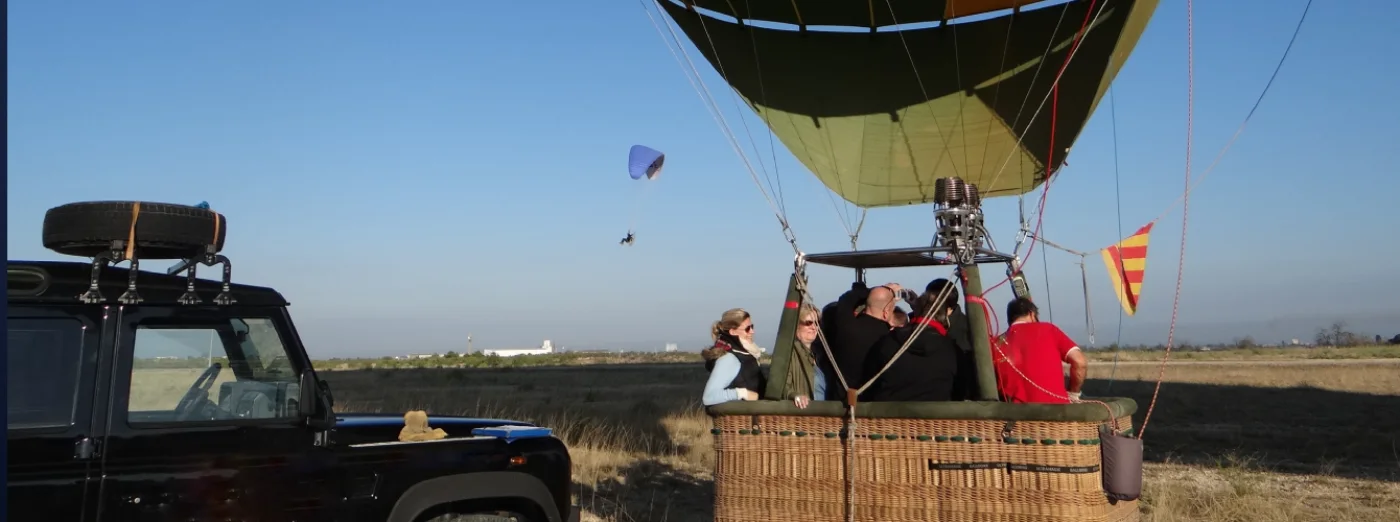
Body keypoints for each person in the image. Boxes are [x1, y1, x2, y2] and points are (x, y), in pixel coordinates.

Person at [861, 287, 960, 402]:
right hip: (938, 418)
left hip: (889, 416)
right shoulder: (952, 351)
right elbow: (959, 392)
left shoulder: (887, 342)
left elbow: (869, 382)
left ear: (916, 311)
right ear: (945, 316)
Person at [993, 297, 1089, 404]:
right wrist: (1073, 394)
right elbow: (1080, 362)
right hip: (1057, 414)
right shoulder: (1049, 330)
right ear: (1031, 314)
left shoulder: (995, 343)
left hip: (1013, 416)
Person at [823, 282, 903, 404]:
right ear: (886, 311)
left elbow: (846, 299)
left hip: (839, 403)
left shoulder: (845, 326)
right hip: (872, 406)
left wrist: (876, 290)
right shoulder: (890, 338)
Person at [926, 278, 978, 401]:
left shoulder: (967, 330)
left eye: (931, 304)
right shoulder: (927, 325)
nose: (928, 308)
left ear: (948, 307)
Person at [702, 308, 767, 406]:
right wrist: (743, 394)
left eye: (752, 326)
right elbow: (709, 397)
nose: (752, 331)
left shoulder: (745, 355)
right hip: (745, 419)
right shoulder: (729, 359)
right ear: (732, 332)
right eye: (747, 328)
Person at [785, 304, 827, 408]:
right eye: (808, 323)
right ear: (796, 325)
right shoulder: (788, 354)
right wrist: (795, 396)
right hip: (804, 417)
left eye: (817, 323)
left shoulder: (820, 355)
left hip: (823, 416)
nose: (814, 327)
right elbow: (781, 386)